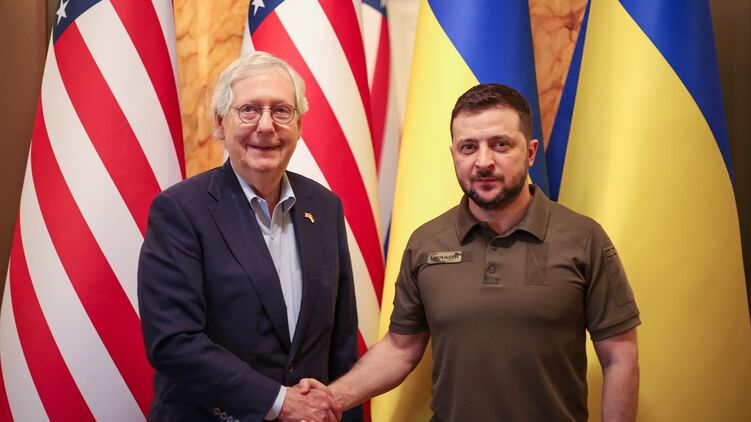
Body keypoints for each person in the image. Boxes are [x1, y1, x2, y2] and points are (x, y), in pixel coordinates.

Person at [303, 83, 640, 421]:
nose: (483, 162)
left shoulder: (583, 239)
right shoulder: (426, 243)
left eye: (500, 144)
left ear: (530, 152)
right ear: (454, 155)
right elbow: (401, 348)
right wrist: (331, 398)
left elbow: (620, 357)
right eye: (468, 147)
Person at [138, 51, 362, 422]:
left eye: (282, 111)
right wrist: (279, 402)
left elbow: (341, 343)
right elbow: (173, 341)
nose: (266, 125)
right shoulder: (180, 210)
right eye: (249, 110)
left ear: (299, 124)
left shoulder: (324, 207)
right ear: (220, 122)